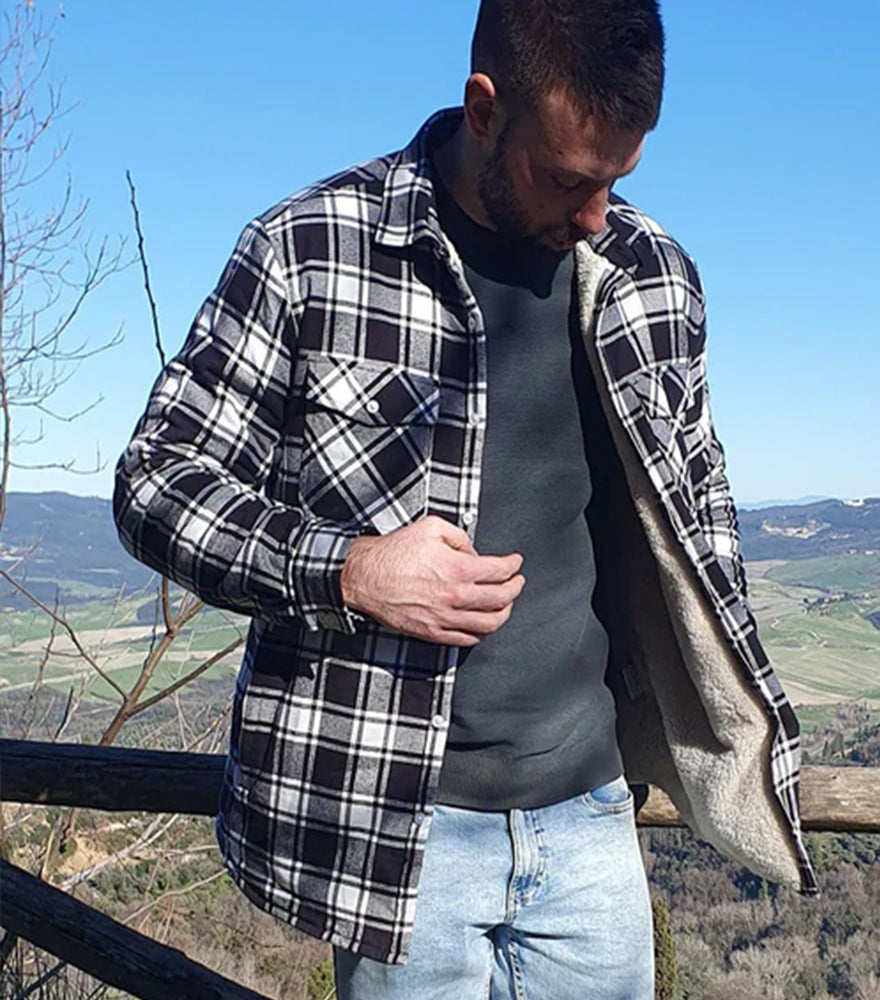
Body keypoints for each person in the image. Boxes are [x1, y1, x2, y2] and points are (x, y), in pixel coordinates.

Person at [114, 1, 817, 997]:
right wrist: (349, 570)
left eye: (617, 181)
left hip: (591, 821)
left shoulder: (651, 277)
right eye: (568, 178)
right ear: (483, 108)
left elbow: (700, 506)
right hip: (402, 838)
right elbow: (154, 482)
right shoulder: (311, 250)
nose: (596, 217)